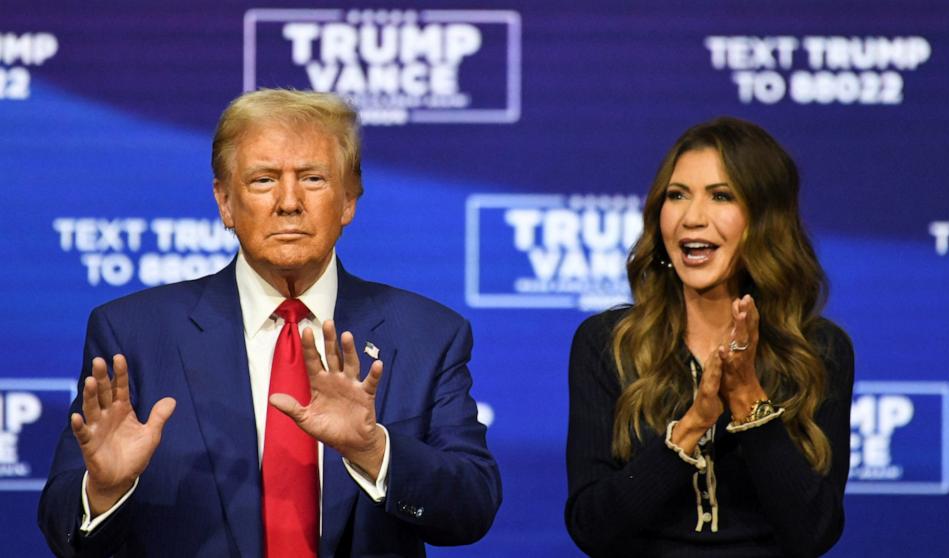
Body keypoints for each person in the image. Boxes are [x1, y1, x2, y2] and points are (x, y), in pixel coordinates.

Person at [38, 89, 501, 558]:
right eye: (263, 180)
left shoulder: (427, 334)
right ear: (224, 202)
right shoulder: (134, 333)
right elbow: (62, 528)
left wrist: (373, 450)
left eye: (313, 178)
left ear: (348, 200)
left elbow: (472, 507)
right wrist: (105, 491)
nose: (288, 202)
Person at [565, 117, 854, 557]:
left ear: (764, 219)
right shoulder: (609, 343)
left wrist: (748, 400)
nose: (691, 218)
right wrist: (692, 426)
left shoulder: (818, 350)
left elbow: (814, 531)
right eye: (677, 196)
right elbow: (592, 527)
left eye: (721, 196)